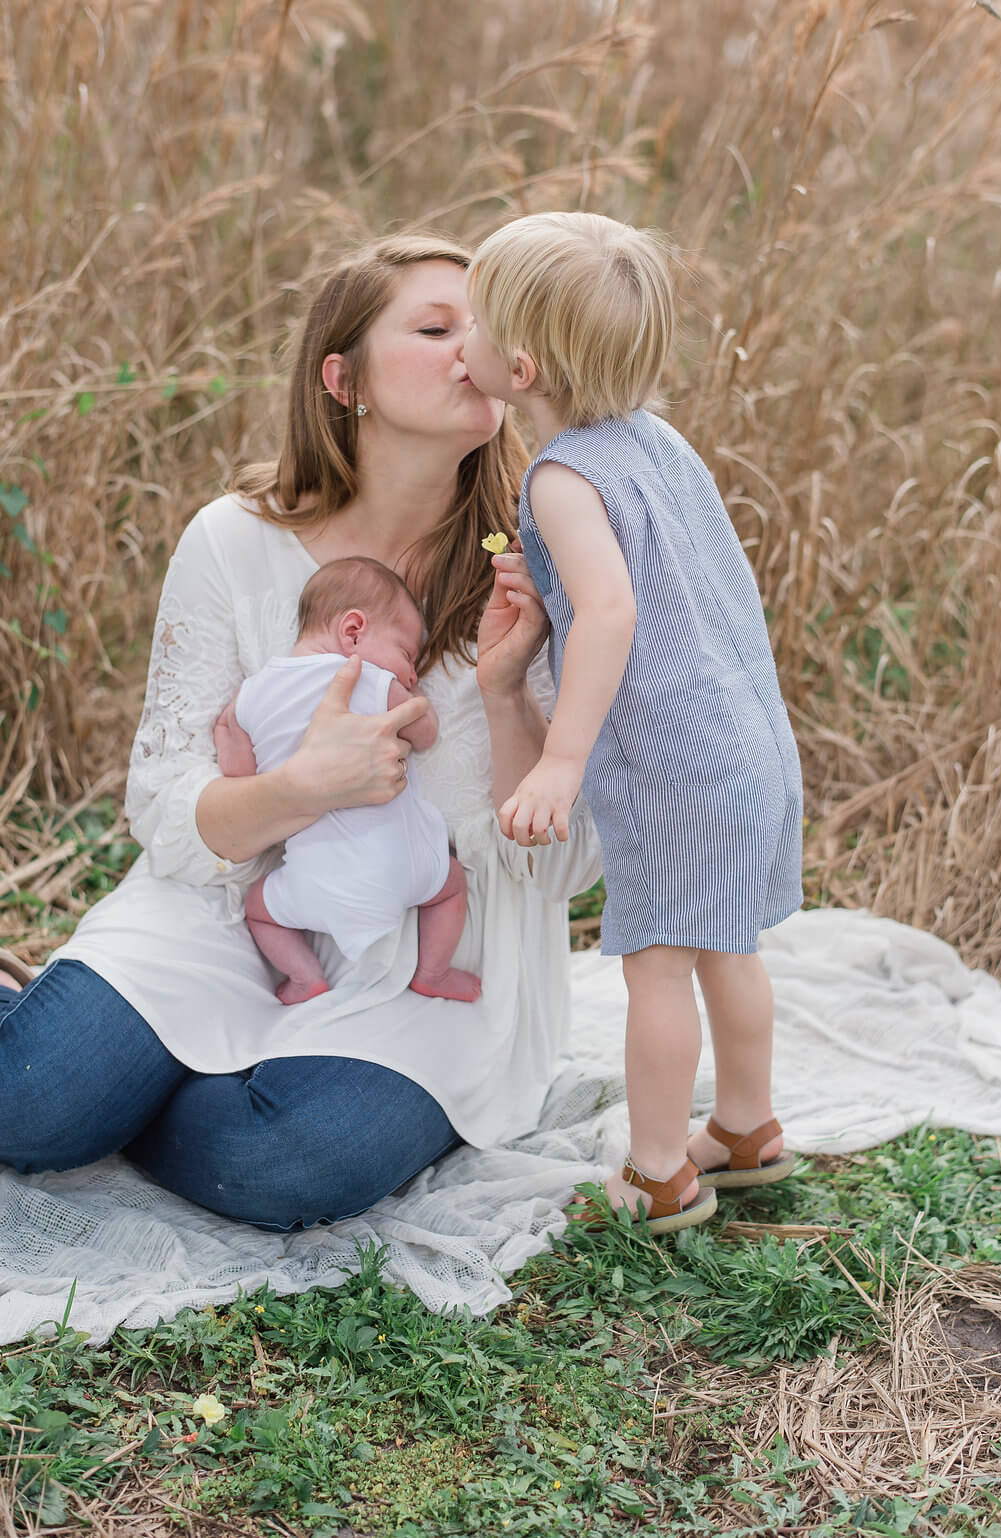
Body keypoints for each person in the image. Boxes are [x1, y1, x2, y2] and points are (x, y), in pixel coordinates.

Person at [0, 235, 603, 1230]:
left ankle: (153, 1083)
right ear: (342, 377)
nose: (473, 349)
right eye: (435, 326)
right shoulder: (235, 541)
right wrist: (303, 786)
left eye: (485, 327)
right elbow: (162, 799)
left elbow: (564, 864)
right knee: (29, 1101)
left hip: (427, 953)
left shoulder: (538, 557)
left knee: (277, 1158)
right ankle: (77, 1047)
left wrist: (504, 691)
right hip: (239, 901)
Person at [463, 211, 803, 1234]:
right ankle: (745, 1126)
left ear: (517, 365)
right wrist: (560, 576)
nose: (462, 338)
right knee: (726, 945)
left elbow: (613, 607)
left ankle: (658, 1171)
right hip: (747, 740)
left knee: (656, 957)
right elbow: (655, 570)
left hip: (674, 765)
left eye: (471, 323)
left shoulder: (561, 476)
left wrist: (561, 758)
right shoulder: (656, 443)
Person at [218, 555, 480, 1005]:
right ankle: (433, 973)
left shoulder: (252, 694)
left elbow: (236, 766)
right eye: (407, 654)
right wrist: (410, 694)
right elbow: (427, 732)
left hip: (312, 884)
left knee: (259, 911)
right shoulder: (372, 681)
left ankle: (305, 979)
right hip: (403, 873)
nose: (413, 672)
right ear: (353, 632)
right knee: (451, 884)